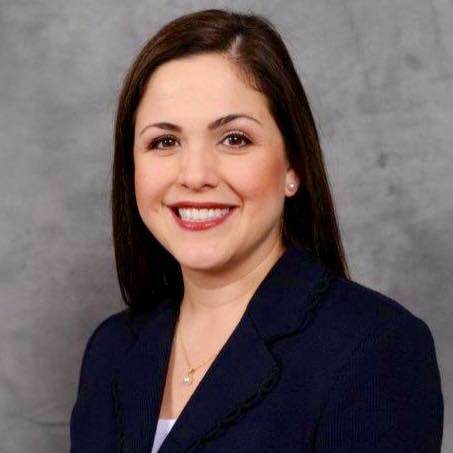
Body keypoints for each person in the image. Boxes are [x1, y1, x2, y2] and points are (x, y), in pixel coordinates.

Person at [70, 8, 444, 453]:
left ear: (293, 166)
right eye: (164, 142)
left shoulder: (375, 348)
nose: (195, 175)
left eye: (234, 139)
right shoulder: (111, 350)